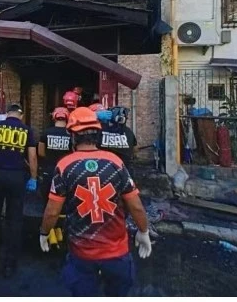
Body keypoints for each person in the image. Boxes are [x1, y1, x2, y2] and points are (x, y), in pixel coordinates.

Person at [39, 106, 152, 297]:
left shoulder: (65, 165)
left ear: (72, 136)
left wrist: (44, 232)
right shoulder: (115, 162)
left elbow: (52, 211)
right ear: (98, 134)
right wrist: (143, 231)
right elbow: (135, 206)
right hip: (117, 255)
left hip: (82, 255)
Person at [0, 103, 37, 278]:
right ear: (21, 115)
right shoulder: (27, 130)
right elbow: (32, 156)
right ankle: (10, 262)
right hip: (17, 177)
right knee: (14, 219)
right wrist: (33, 178)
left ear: (7, 114)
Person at [38, 107, 71, 201]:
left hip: (49, 169)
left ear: (54, 117)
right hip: (65, 170)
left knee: (47, 197)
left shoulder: (46, 132)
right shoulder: (71, 134)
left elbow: (40, 152)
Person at [98, 106, 138, 176]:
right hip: (124, 174)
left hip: (103, 174)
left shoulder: (100, 130)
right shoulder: (129, 132)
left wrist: (96, 117)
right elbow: (135, 151)